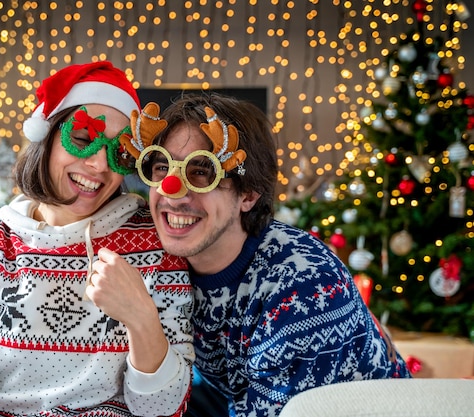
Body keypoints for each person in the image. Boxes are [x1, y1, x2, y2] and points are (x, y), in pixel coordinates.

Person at [0, 61, 194, 417]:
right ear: (47, 136)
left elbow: (164, 409)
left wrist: (142, 318)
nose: (100, 165)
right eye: (85, 139)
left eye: (119, 153)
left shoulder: (155, 245)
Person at [124, 93, 411, 417]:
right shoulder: (166, 257)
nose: (172, 191)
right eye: (162, 166)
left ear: (249, 194)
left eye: (203, 172)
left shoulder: (303, 287)